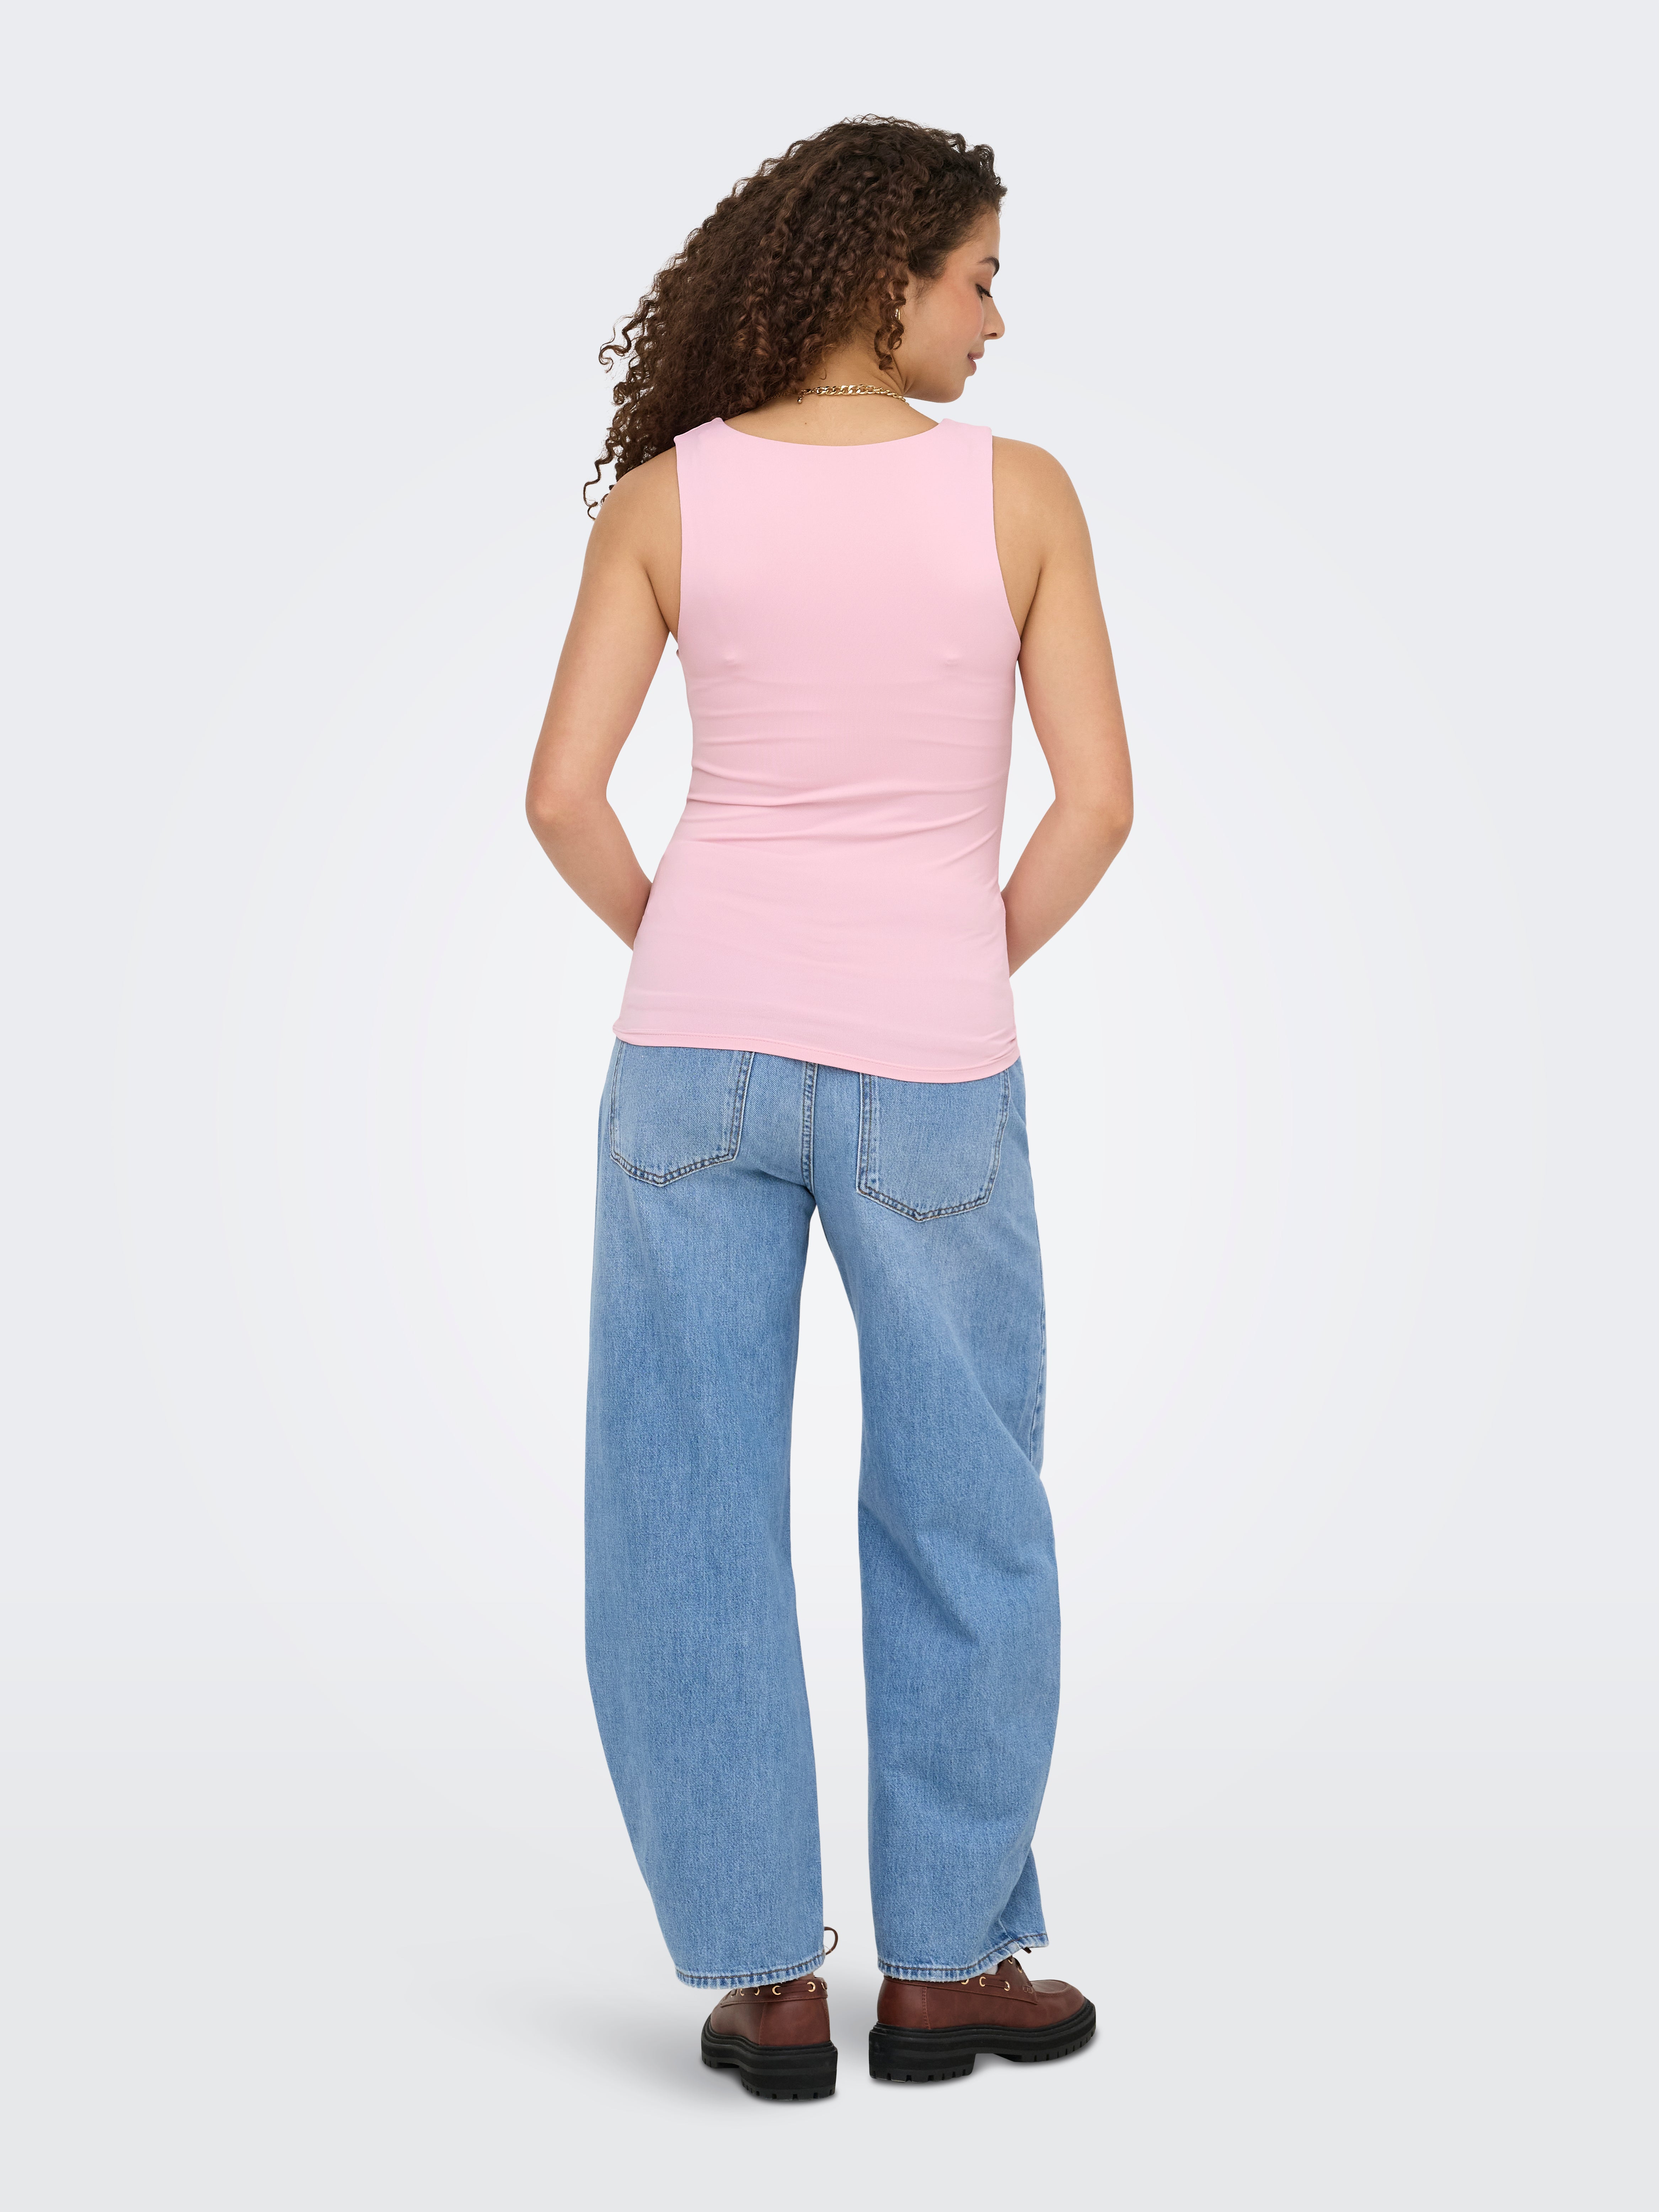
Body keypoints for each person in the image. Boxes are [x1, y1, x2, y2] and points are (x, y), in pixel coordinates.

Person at [525, 116, 1133, 2100]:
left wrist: (695, 947)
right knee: (967, 1504)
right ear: (892, 279)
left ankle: (767, 1984)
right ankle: (949, 1968)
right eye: (979, 278)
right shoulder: (1018, 495)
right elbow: (1100, 806)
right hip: (931, 1060)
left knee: (680, 1503)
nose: (995, 319)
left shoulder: (666, 499)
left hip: (689, 1055)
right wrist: (952, 958)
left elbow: (562, 800)